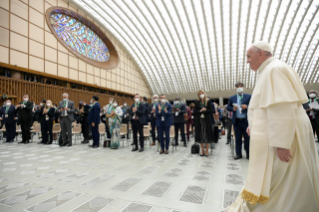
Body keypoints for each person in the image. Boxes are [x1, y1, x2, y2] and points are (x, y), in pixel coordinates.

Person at [226, 41, 319, 212]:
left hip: (286, 136)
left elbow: (282, 108)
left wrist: (282, 144)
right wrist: (253, 126)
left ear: (260, 54)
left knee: (283, 177)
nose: (247, 61)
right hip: (283, 132)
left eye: (249, 56)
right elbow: (267, 108)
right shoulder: (269, 70)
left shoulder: (273, 70)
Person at [227, 82, 251, 160]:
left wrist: (247, 106)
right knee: (238, 138)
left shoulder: (248, 96)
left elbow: (253, 106)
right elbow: (228, 107)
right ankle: (238, 153)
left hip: (245, 121)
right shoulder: (232, 98)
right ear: (235, 89)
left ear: (243, 88)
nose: (239, 88)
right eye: (237, 87)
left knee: (247, 138)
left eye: (241, 86)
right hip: (237, 121)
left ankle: (248, 153)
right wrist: (232, 109)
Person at [194, 90, 213, 156]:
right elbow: (195, 111)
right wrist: (200, 110)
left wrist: (205, 110)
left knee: (207, 134)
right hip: (199, 120)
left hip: (207, 120)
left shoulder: (208, 101)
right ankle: (202, 150)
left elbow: (211, 111)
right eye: (199, 93)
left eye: (202, 93)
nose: (201, 94)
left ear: (204, 94)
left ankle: (207, 150)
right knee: (200, 134)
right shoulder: (196, 102)